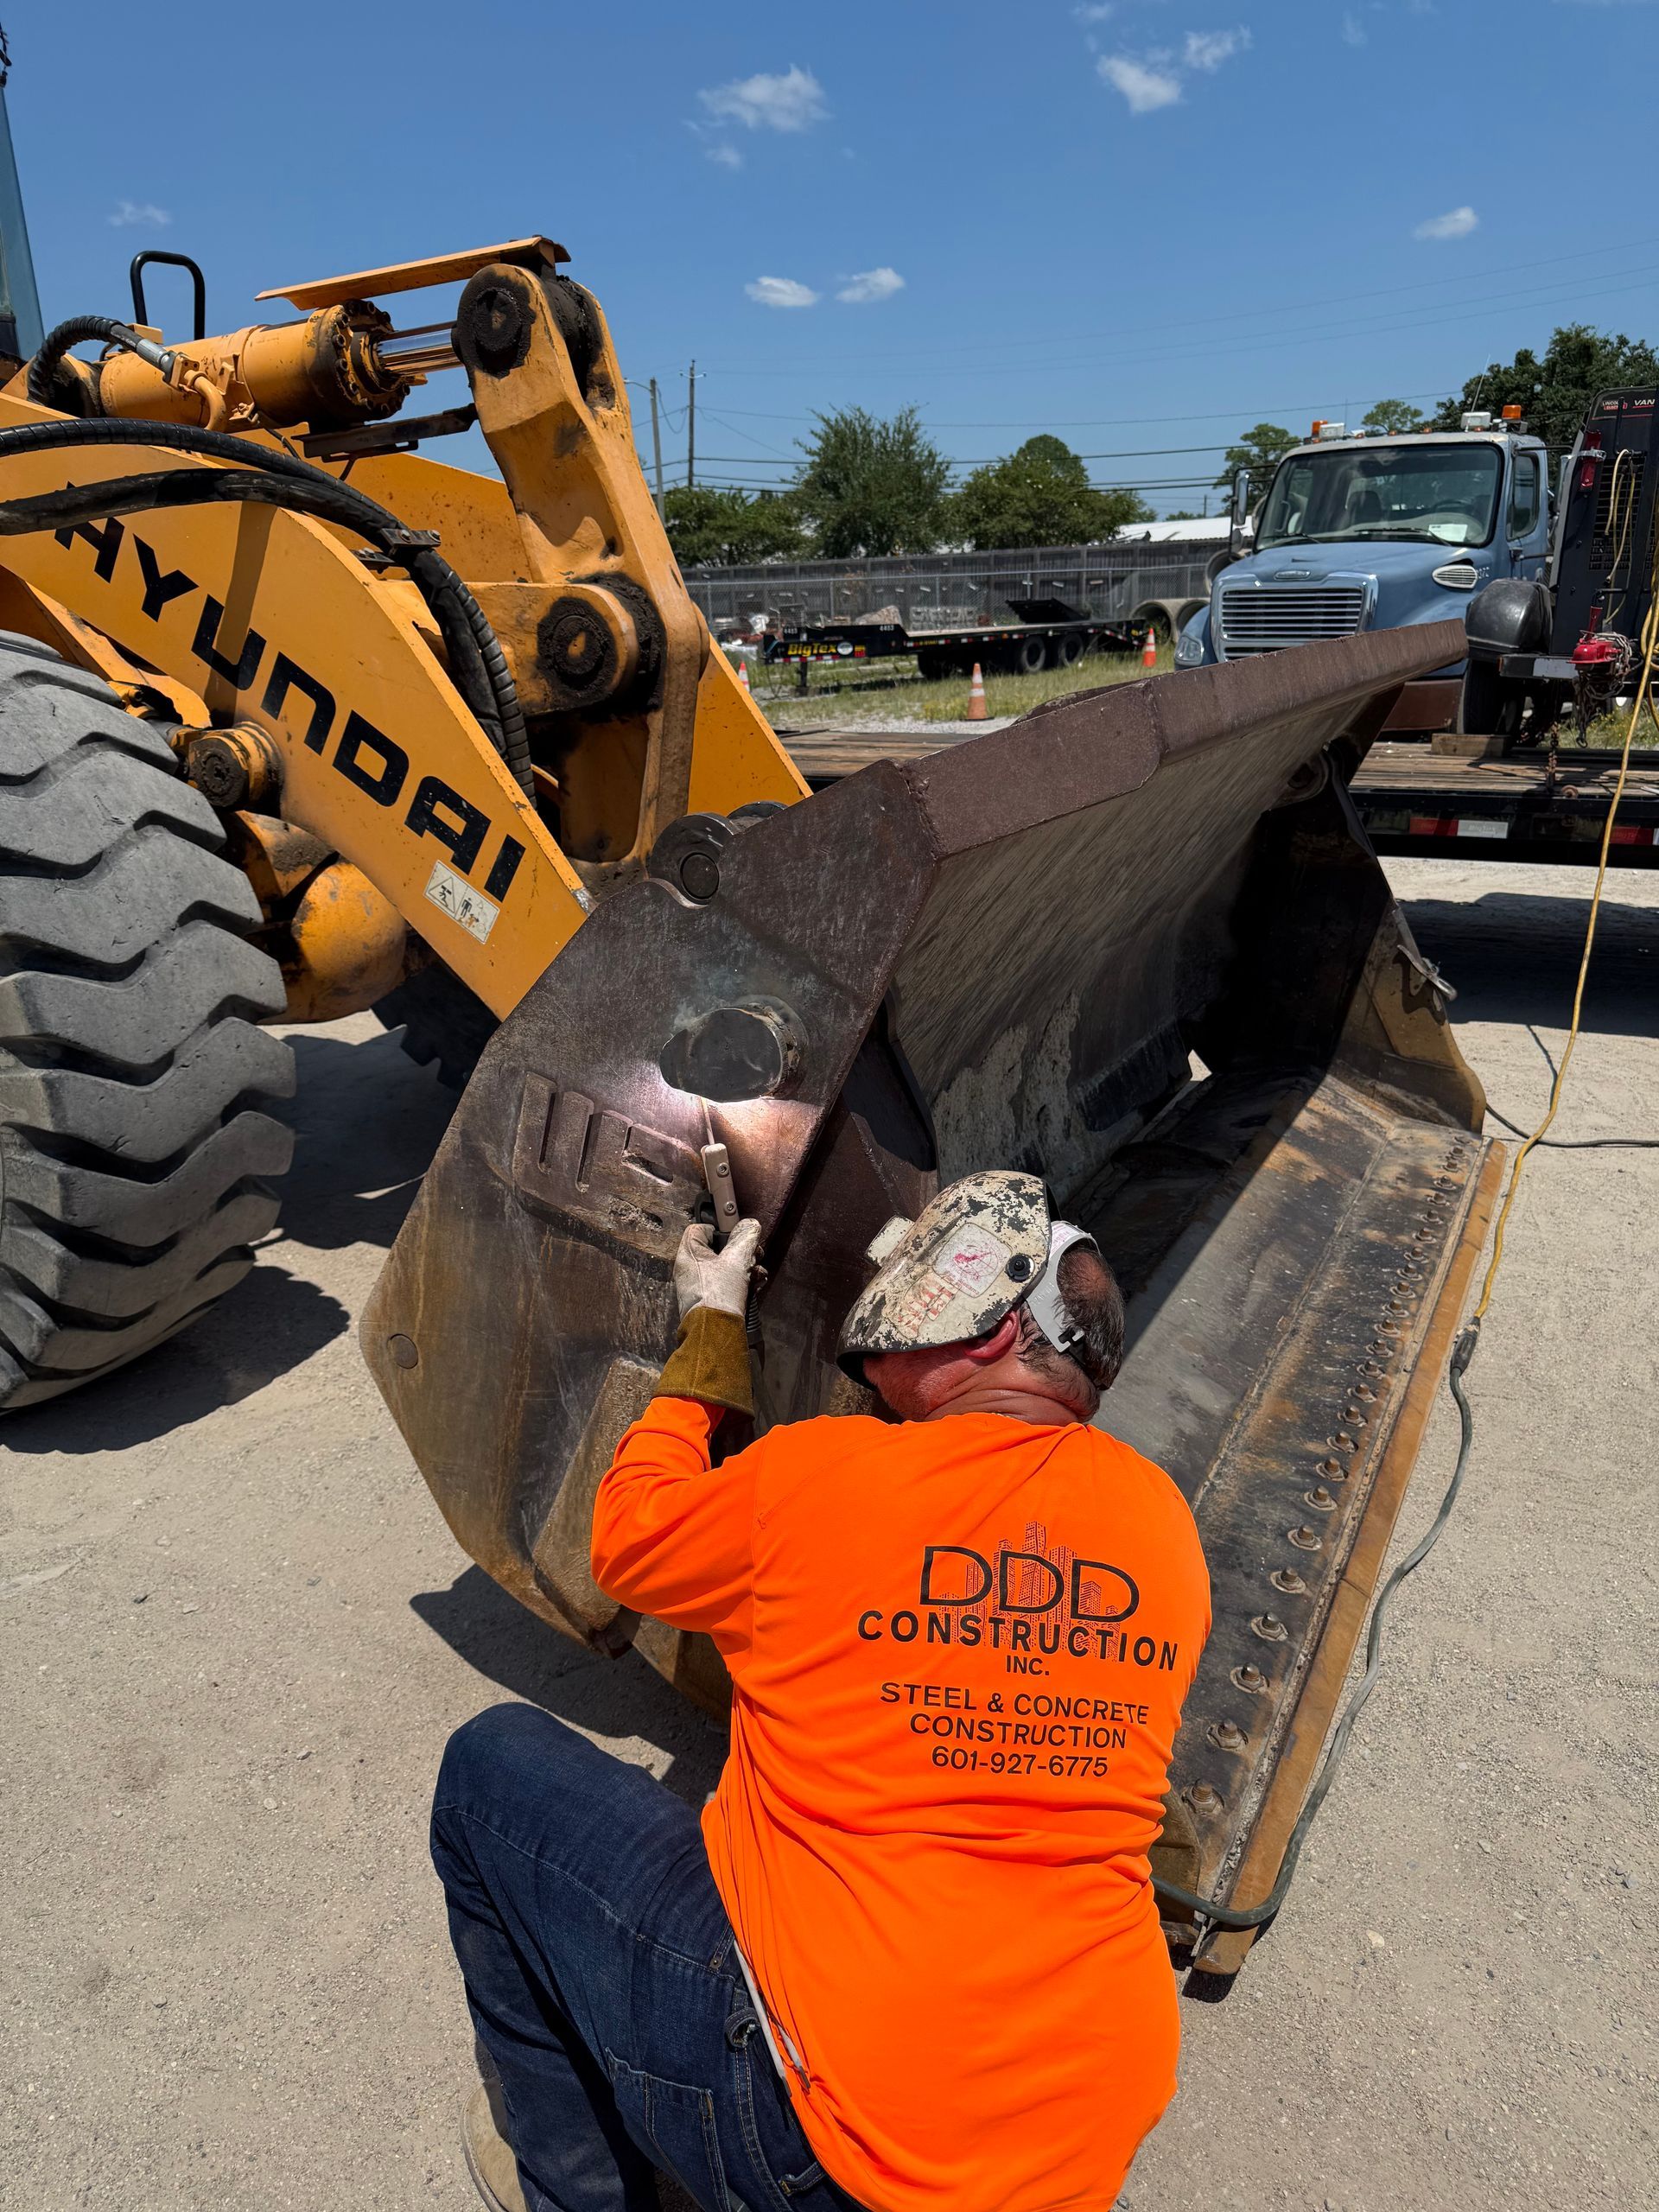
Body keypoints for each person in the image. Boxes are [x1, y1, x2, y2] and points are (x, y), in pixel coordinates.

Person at [432, 1171, 1211, 2212]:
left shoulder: (821, 1476)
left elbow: (625, 1538)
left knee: (491, 1772)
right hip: (1077, 2134)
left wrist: (707, 1340)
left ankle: (581, 2189)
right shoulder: (1161, 1524)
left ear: (983, 1328)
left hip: (832, 2138)